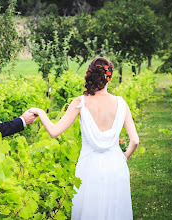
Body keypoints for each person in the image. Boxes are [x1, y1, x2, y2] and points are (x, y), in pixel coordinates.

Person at [29, 57, 139, 219]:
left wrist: (40, 111)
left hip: (89, 168)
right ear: (109, 76)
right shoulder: (121, 103)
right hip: (116, 167)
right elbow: (135, 140)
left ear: (90, 75)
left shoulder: (80, 102)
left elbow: (54, 131)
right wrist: (123, 157)